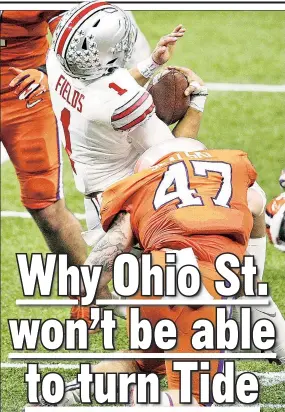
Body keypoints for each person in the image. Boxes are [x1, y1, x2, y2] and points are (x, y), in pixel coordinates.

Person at [23, 137, 275, 412]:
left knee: (142, 360)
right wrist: (249, 273)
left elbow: (108, 253)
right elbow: (257, 205)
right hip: (202, 280)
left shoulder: (142, 186)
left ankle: (67, 394)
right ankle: (151, 406)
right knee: (194, 404)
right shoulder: (230, 171)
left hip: (152, 277)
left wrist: (91, 297)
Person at [46, 1, 208, 324]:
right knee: (211, 283)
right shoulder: (118, 100)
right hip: (131, 207)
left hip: (98, 201)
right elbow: (175, 157)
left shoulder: (56, 63)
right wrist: (198, 99)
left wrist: (149, 66)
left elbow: (100, 90)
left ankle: (106, 299)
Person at [1, 11, 88, 317]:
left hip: (25, 94)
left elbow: (76, 40)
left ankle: (87, 295)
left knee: (46, 207)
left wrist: (45, 71)